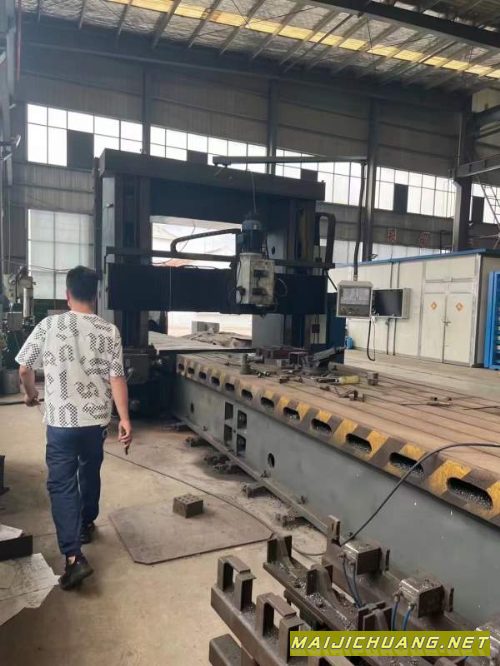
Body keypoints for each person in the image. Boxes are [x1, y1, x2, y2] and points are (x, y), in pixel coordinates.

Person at [16, 266, 132, 590]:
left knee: (62, 484)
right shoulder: (109, 331)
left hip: (61, 423)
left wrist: (30, 394)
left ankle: (73, 558)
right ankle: (85, 523)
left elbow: (24, 368)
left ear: (67, 294)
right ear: (95, 295)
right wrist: (124, 419)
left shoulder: (49, 325)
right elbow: (117, 378)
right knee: (90, 470)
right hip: (95, 423)